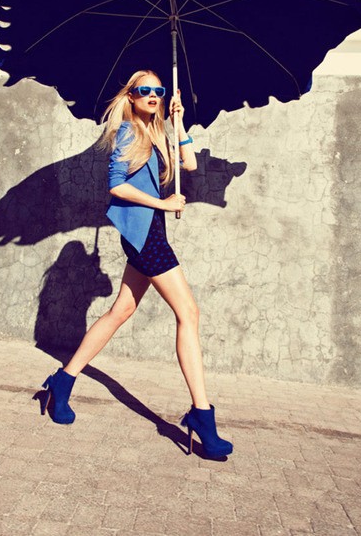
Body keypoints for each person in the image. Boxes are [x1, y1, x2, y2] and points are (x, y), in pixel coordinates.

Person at [42, 69, 233, 458]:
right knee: (189, 314)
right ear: (130, 95)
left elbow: (190, 165)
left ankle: (62, 381)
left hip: (149, 232)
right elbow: (116, 185)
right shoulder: (129, 132)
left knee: (120, 311)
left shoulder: (156, 131)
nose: (152, 95)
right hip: (146, 236)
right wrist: (162, 202)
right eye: (144, 90)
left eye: (158, 90)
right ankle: (201, 414)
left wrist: (179, 123)